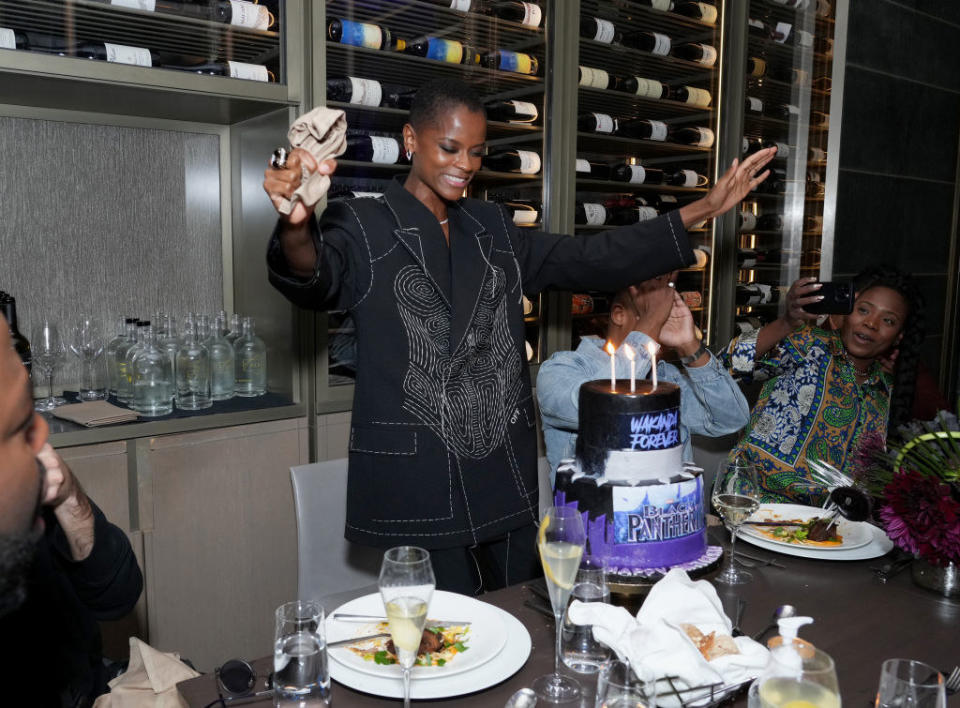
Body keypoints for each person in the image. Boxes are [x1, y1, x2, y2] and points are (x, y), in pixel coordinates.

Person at [262, 78, 775, 594]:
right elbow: (315, 277)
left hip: (500, 472)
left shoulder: (493, 229)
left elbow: (589, 259)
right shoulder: (364, 221)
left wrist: (701, 210)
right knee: (450, 634)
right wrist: (297, 223)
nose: (465, 164)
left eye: (477, 152)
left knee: (527, 617)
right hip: (418, 474)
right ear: (411, 139)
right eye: (449, 147)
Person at [0, 317, 144, 707]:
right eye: (18, 425)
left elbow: (119, 596)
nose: (41, 435)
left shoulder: (31, 491)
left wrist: (67, 497)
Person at [723, 266, 925, 504]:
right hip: (756, 504)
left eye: (888, 320)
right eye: (863, 310)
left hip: (832, 529)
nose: (871, 323)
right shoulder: (809, 346)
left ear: (899, 335)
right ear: (845, 314)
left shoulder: (888, 390)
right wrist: (787, 322)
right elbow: (727, 366)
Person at [537, 273, 751, 483]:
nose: (659, 321)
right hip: (598, 516)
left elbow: (732, 419)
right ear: (619, 314)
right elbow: (602, 408)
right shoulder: (559, 369)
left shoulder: (664, 378)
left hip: (665, 514)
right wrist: (651, 321)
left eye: (663, 314)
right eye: (650, 312)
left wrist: (689, 346)